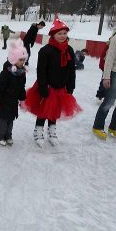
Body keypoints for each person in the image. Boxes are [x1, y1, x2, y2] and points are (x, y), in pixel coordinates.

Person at [25, 18, 82, 147]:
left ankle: (52, 132)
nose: (62, 36)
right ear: (53, 35)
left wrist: (71, 86)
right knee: (43, 110)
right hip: (47, 86)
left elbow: (71, 70)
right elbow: (41, 71)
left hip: (61, 87)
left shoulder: (69, 50)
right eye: (59, 33)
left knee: (54, 111)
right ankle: (38, 131)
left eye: (64, 33)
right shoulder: (46, 51)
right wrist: (43, 87)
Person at [0, 39, 28, 146]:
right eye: (20, 60)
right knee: (2, 120)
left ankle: (8, 135)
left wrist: (22, 100)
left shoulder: (21, 73)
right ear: (13, 59)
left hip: (12, 102)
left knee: (10, 120)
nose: (23, 62)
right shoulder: (5, 73)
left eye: (24, 60)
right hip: (3, 101)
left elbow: (22, 88)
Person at [92, 25, 116, 141]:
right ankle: (98, 126)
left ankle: (114, 128)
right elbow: (110, 56)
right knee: (109, 101)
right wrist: (106, 76)